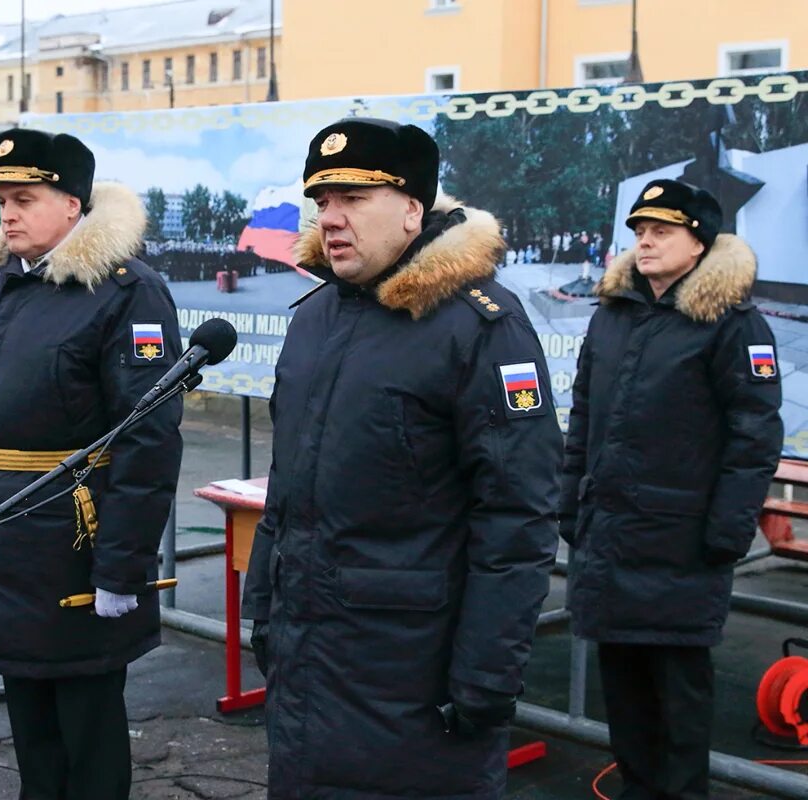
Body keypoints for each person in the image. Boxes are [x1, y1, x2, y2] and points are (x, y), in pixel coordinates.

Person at [241, 118, 562, 799]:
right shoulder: (314, 318)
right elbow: (290, 488)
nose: (330, 218)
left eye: (353, 199)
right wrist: (264, 607)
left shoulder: (481, 325)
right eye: (321, 201)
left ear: (413, 208)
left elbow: (517, 519)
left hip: (414, 681)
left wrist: (486, 677)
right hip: (307, 665)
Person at [0, 128, 182, 799]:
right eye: (1, 201)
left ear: (73, 204)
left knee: (84, 724)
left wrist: (122, 566)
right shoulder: (1, 284)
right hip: (1, 532)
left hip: (74, 541)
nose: (8, 214)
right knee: (29, 715)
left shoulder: (125, 291)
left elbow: (150, 438)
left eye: (25, 197)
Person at [561, 179, 783, 800]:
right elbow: (583, 415)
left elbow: (755, 435)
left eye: (662, 231)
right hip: (610, 534)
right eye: (639, 232)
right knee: (624, 685)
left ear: (699, 242)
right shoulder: (614, 315)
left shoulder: (734, 324)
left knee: (679, 694)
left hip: (682, 540)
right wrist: (568, 502)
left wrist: (727, 531)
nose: (645, 242)